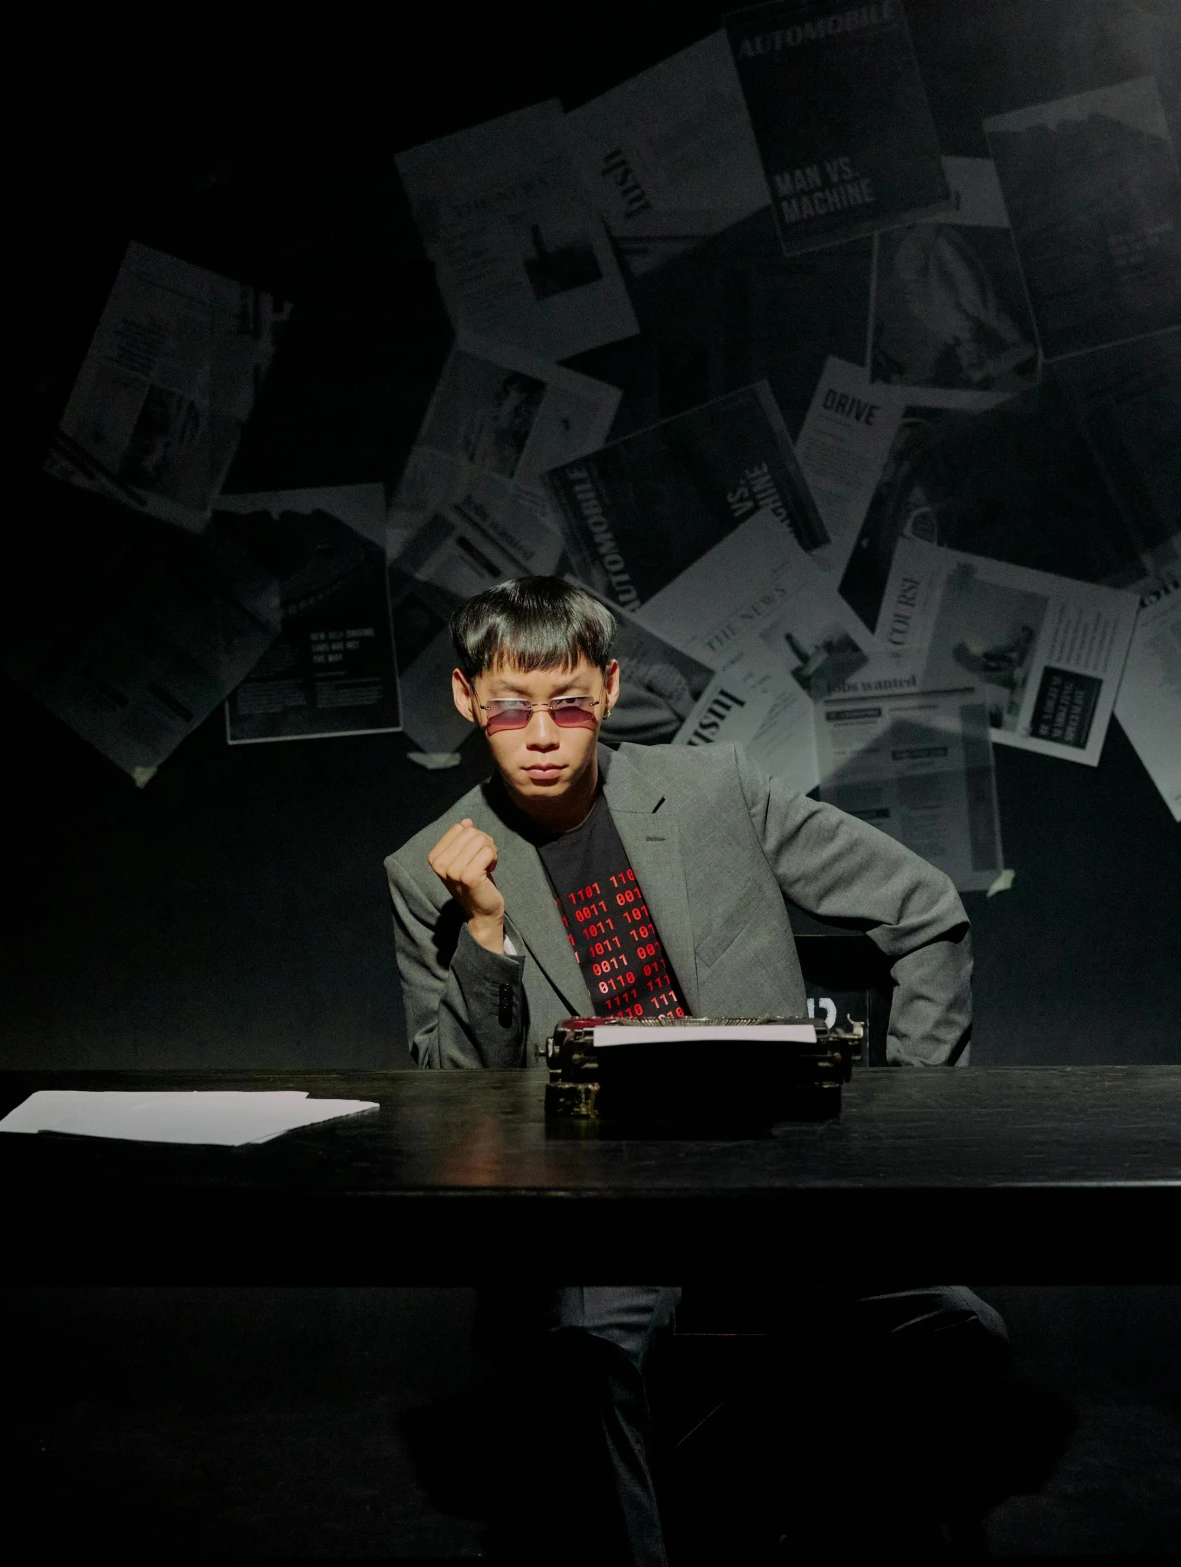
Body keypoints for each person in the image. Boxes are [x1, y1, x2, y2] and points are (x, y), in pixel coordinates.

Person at [384, 577, 1009, 1564]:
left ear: (611, 690)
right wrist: (487, 940)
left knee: (956, 1332)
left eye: (569, 704)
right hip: (593, 1194)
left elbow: (925, 910)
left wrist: (910, 1115)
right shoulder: (429, 868)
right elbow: (448, 1101)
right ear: (466, 701)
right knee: (586, 1349)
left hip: (772, 1170)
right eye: (509, 707)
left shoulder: (716, 788)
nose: (540, 735)